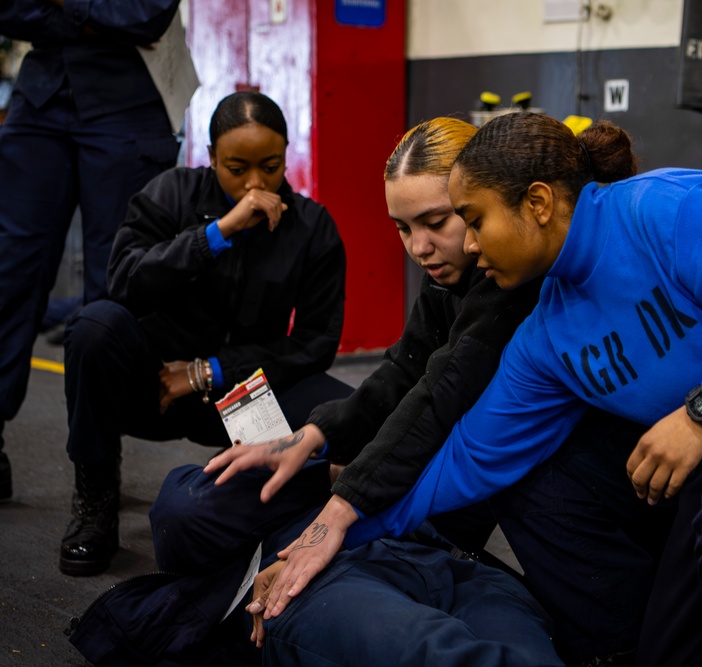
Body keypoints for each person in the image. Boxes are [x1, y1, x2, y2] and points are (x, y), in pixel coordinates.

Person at [241, 111, 702, 667]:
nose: (464, 245)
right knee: (667, 651)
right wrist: (330, 536)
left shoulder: (663, 211)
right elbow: (470, 457)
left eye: (470, 220)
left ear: (537, 202)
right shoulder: (547, 333)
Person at [148, 117, 665, 666]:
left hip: (552, 489)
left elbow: (441, 391)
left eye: (439, 221)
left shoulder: (515, 280)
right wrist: (315, 437)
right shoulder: (448, 273)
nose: (419, 247)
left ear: (479, 200)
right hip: (440, 489)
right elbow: (405, 368)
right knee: (192, 502)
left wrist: (340, 508)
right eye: (401, 228)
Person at [59, 91, 351, 577]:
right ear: (212, 158)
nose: (256, 183)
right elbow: (124, 281)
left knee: (353, 414)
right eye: (237, 168)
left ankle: (296, 514)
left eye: (272, 166)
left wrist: (208, 372)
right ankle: (95, 499)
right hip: (152, 391)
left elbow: (316, 343)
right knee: (94, 327)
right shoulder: (172, 192)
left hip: (240, 393)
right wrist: (217, 233)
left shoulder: (313, 227)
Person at [0, 0, 183, 503]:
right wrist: (90, 13)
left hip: (129, 98)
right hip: (40, 97)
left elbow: (146, 13)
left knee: (114, 290)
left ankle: (97, 474)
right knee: (8, 273)